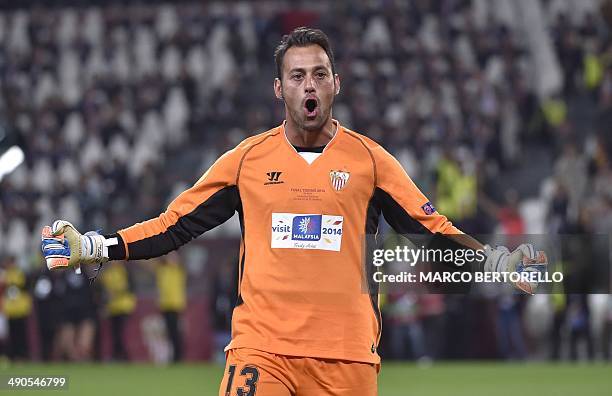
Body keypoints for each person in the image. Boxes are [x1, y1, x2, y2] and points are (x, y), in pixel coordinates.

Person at [41, 27, 546, 395]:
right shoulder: (246, 160)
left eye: (320, 75)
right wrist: (94, 246)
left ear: (336, 85)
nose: (310, 85)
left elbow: (431, 231)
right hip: (263, 348)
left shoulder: (371, 161)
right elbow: (176, 224)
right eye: (298, 75)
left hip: (345, 355)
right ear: (279, 89)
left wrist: (498, 263)